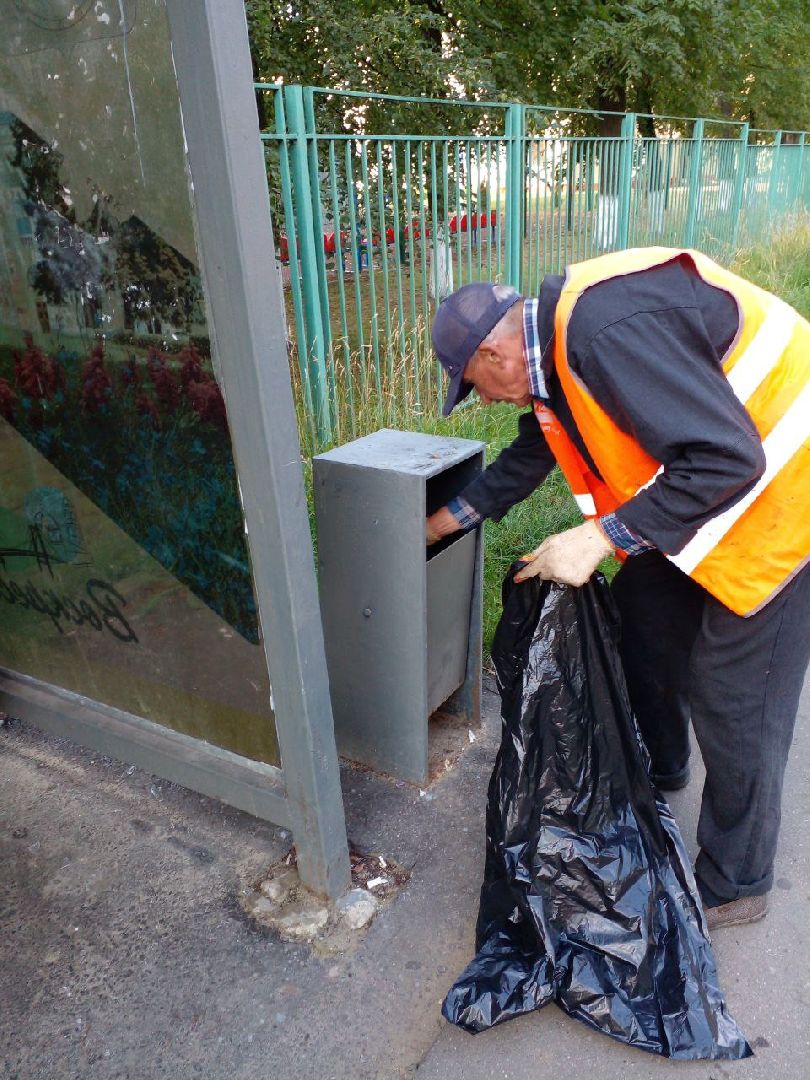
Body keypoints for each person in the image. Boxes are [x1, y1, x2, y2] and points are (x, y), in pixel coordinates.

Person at [427, 248, 810, 931]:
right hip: (709, 491)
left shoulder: (602, 333)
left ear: (494, 352)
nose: (482, 399)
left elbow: (728, 456)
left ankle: (737, 881)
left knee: (735, 696)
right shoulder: (556, 359)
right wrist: (441, 524)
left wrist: (600, 538)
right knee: (644, 613)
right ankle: (661, 768)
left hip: (787, 491)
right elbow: (534, 452)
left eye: (474, 385)